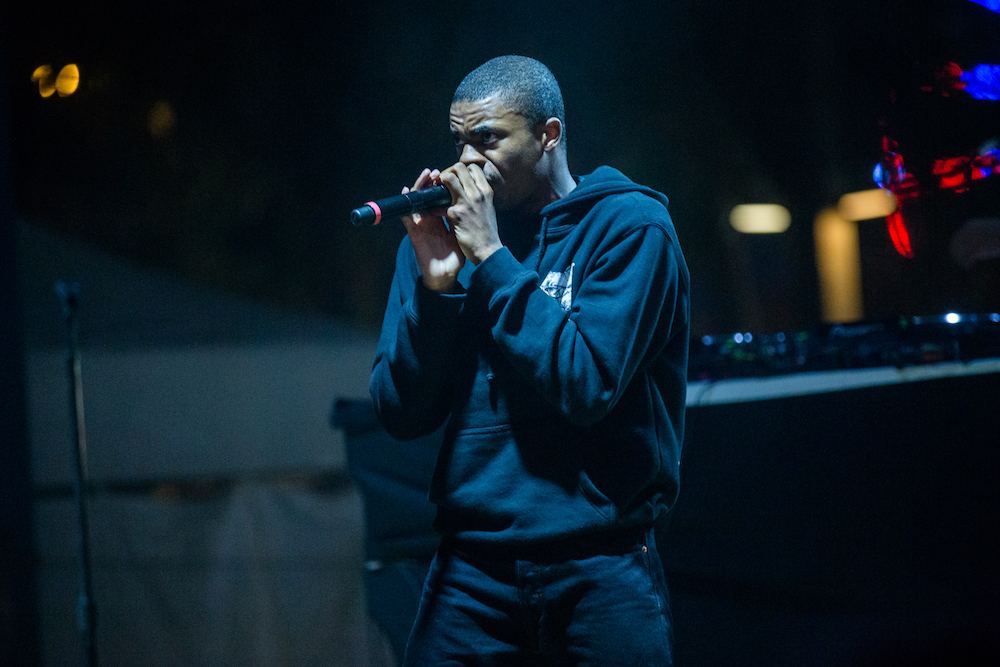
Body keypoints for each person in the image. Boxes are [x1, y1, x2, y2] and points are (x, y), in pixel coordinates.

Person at [369, 55, 690, 666]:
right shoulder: (442, 241)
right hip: (471, 566)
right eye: (459, 142)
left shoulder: (630, 228)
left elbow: (585, 384)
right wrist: (437, 291)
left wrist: (492, 258)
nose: (467, 162)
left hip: (601, 562)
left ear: (548, 135)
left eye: (488, 139)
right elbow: (399, 413)